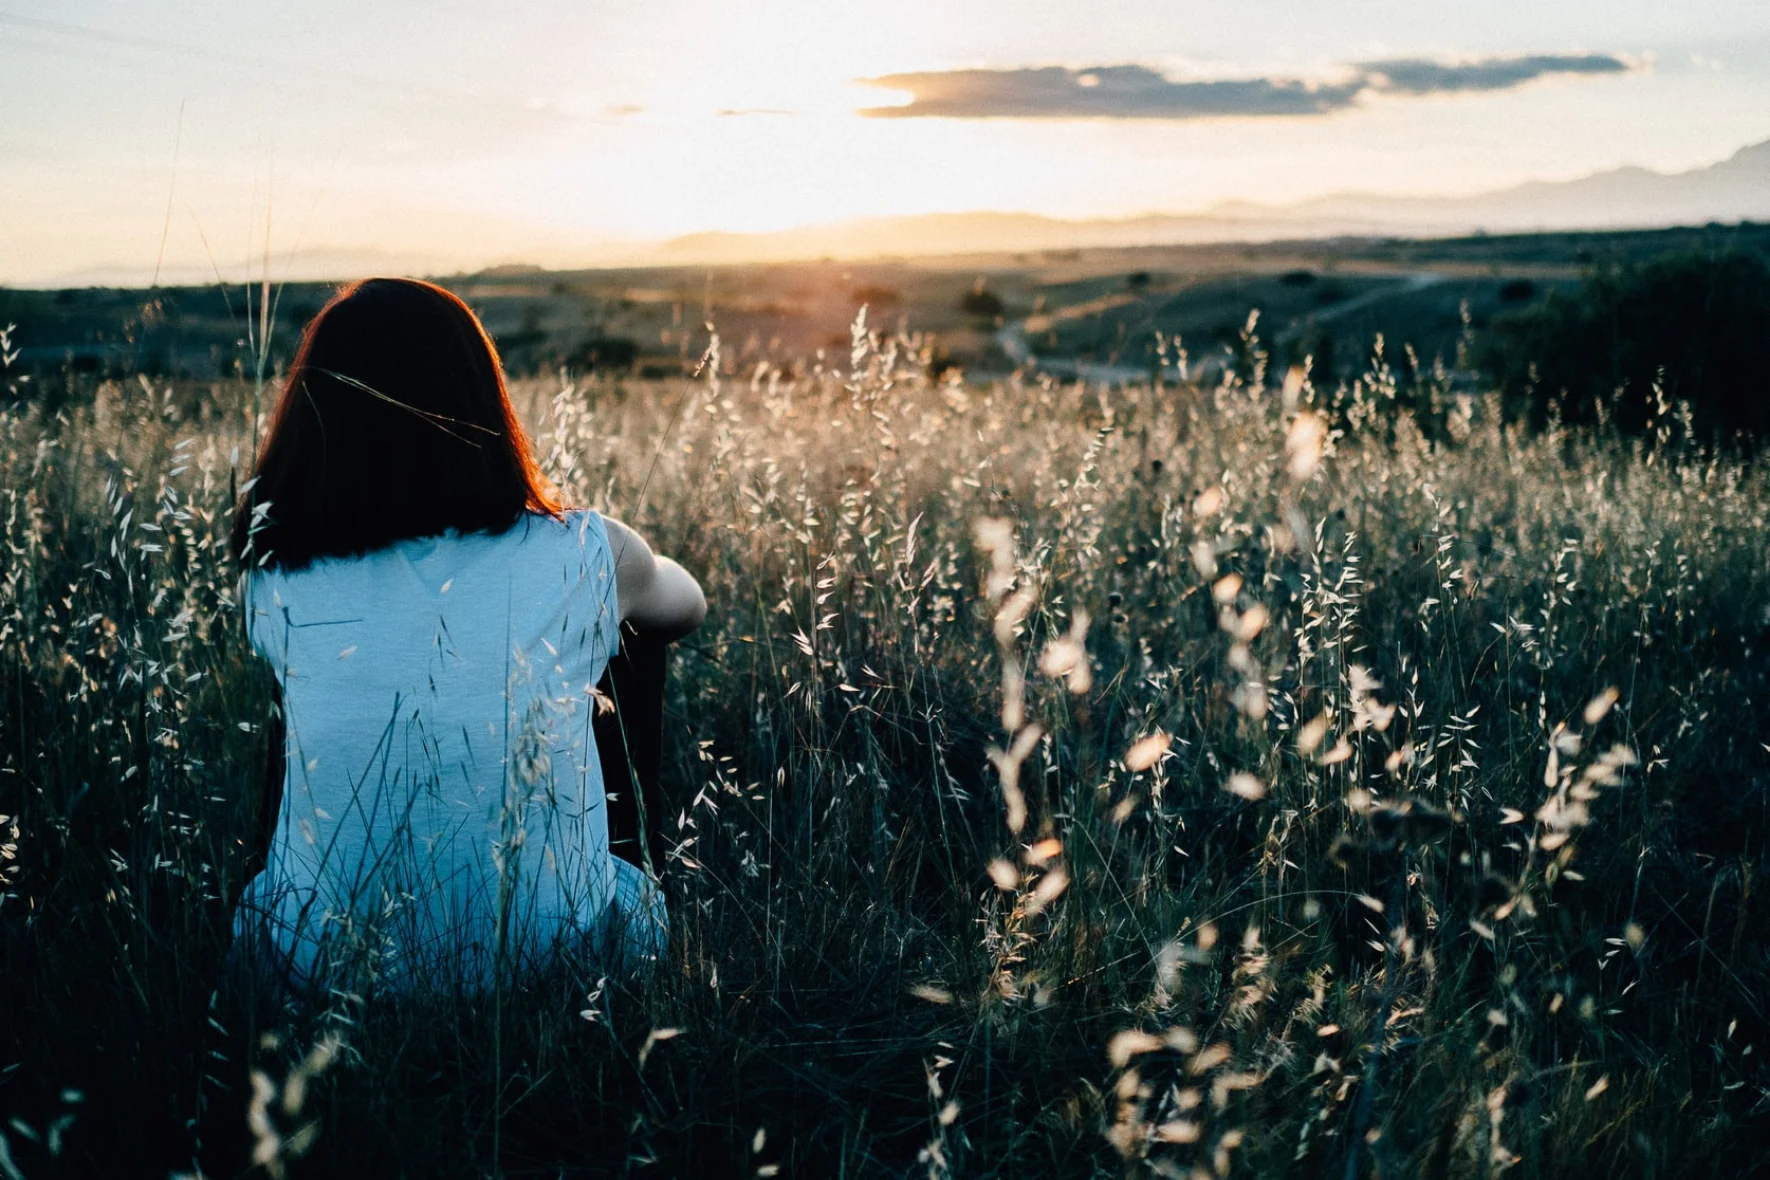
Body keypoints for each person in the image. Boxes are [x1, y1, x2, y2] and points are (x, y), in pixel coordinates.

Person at [228, 277, 704, 996]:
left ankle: (323, 883)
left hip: (319, 963)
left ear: (314, 413)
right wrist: (618, 574)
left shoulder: (275, 566)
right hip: (554, 959)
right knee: (624, 640)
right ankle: (625, 879)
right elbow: (685, 606)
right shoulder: (583, 550)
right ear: (482, 402)